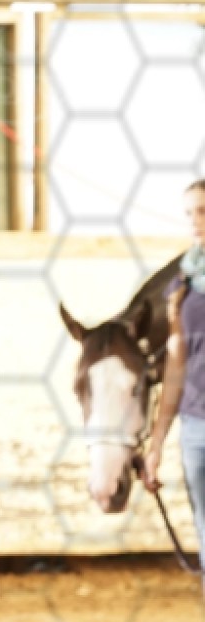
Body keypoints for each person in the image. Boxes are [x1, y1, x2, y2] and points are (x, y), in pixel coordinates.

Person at [142, 180, 205, 544]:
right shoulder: (183, 284)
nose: (195, 220)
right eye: (189, 213)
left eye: (203, 211)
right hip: (195, 428)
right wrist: (156, 445)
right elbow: (176, 366)